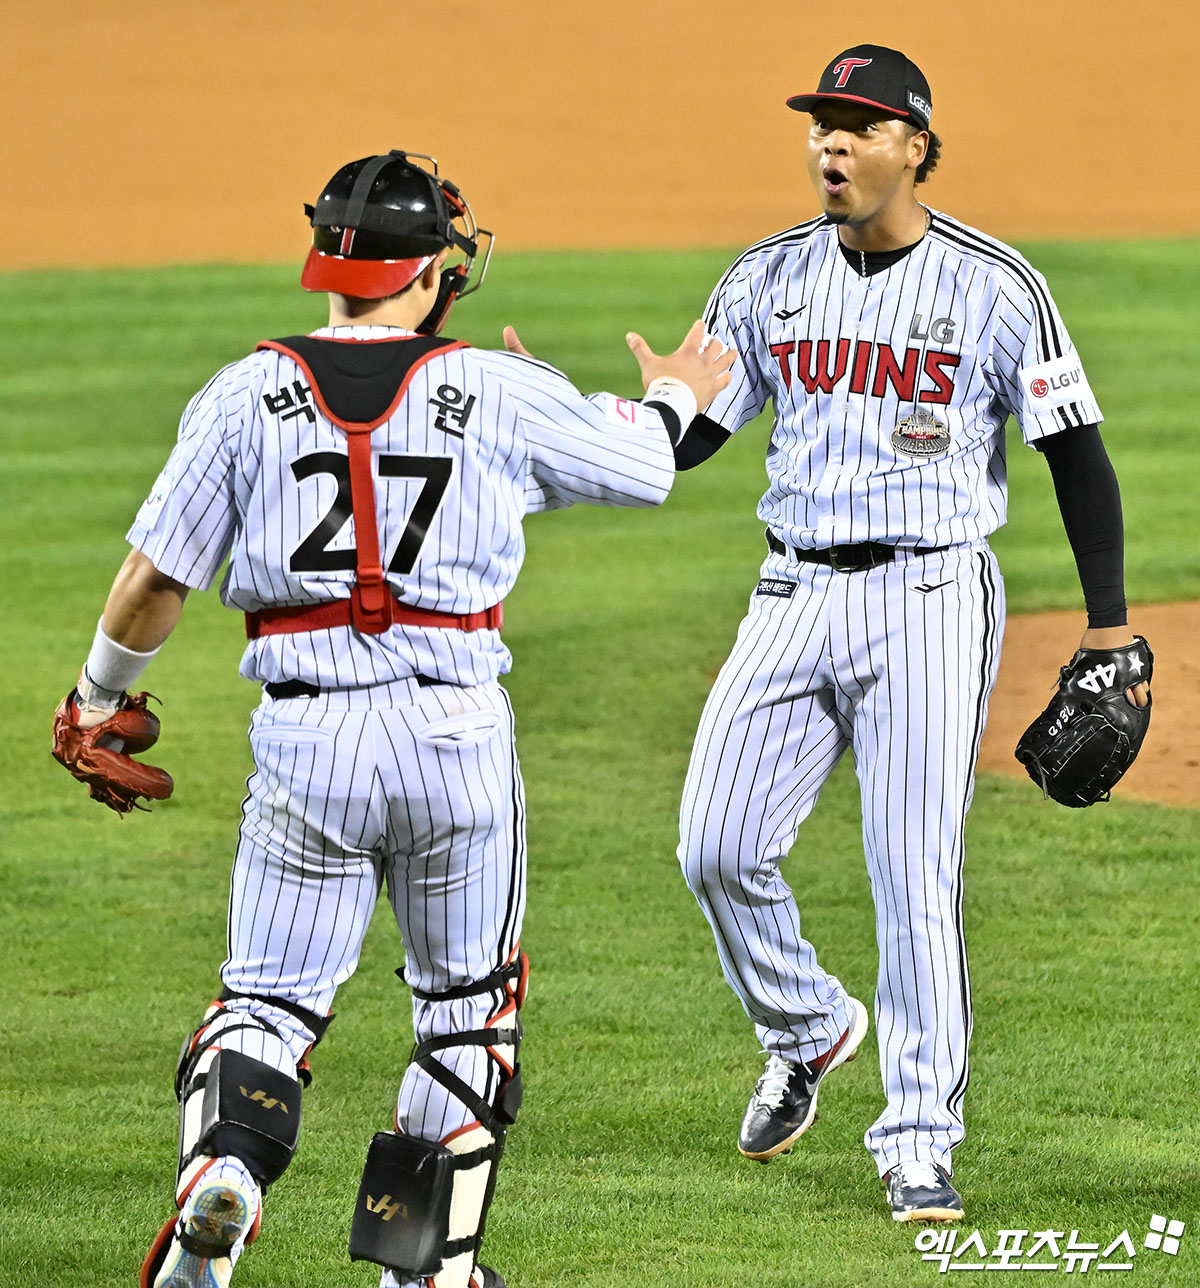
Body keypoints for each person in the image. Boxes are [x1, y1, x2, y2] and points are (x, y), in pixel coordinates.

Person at [51, 149, 733, 1288]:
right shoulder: (499, 392)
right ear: (435, 274)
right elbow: (646, 466)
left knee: (269, 1000)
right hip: (457, 738)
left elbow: (152, 582)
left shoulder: (241, 394)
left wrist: (97, 698)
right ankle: (424, 1269)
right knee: (465, 1015)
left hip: (305, 741)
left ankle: (226, 1168)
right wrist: (666, 394)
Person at [671, 47, 1149, 1221]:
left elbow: (1074, 452)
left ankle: (919, 1138)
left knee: (910, 872)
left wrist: (1108, 626)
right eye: (823, 127)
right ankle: (812, 1027)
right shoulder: (766, 280)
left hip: (931, 598)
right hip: (791, 594)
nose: (833, 146)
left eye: (860, 128)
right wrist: (576, 423)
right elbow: (688, 436)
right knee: (714, 847)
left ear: (916, 148)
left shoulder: (995, 286)